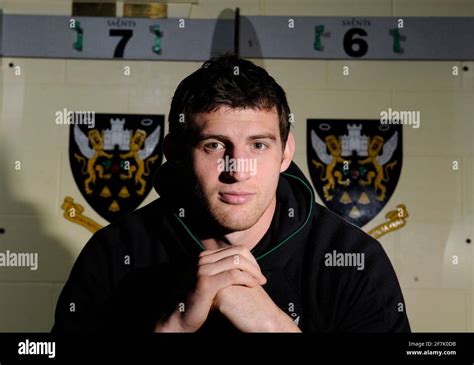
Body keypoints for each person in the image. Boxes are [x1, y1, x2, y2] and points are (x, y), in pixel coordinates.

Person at [52, 53, 410, 333]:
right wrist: (172, 326)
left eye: (258, 145)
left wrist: (274, 327)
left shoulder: (353, 260)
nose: (238, 170)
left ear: (286, 152)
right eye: (214, 145)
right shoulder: (115, 254)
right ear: (176, 153)